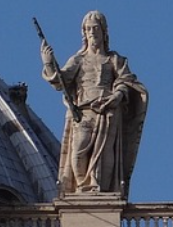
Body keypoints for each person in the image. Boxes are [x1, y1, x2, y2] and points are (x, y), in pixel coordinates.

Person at [41, 10, 148, 196]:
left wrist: (116, 96)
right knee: (78, 151)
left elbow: (126, 82)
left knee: (106, 154)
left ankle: (100, 189)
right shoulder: (78, 59)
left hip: (108, 111)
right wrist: (49, 63)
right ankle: (82, 187)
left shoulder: (115, 60)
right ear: (84, 33)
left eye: (95, 28)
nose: (91, 32)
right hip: (83, 111)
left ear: (103, 31)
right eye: (88, 29)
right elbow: (61, 81)